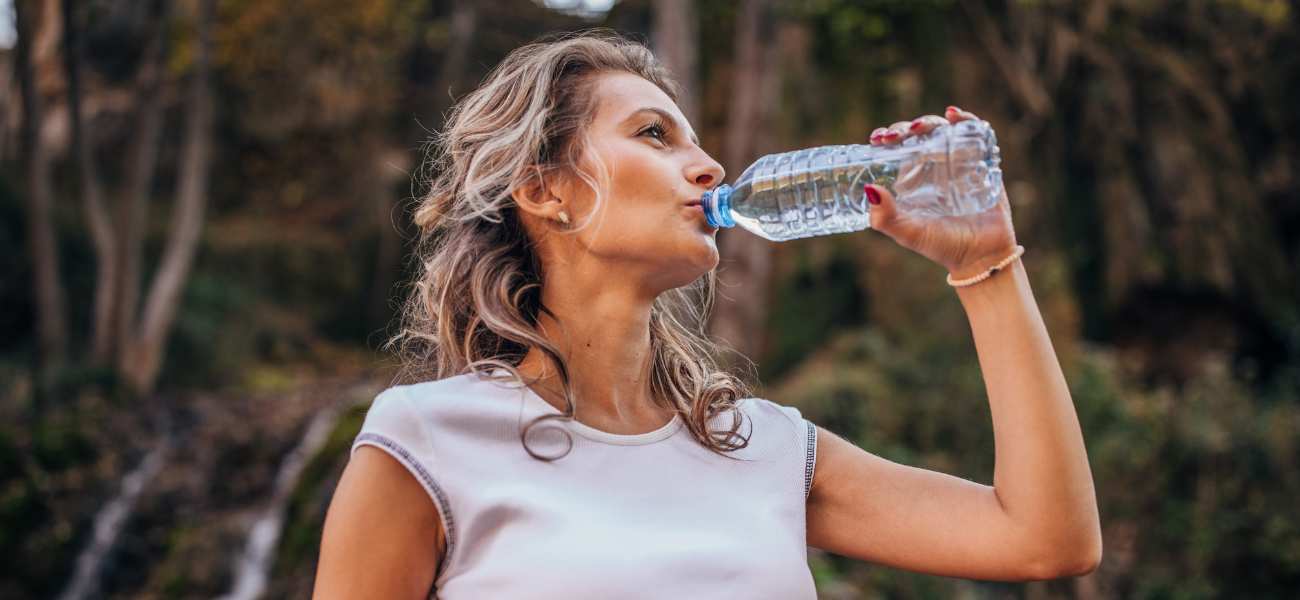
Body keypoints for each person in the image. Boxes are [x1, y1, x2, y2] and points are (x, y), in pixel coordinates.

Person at [312, 30, 1101, 599]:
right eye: (653, 135)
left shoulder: (766, 449)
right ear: (545, 189)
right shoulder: (424, 442)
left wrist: (984, 264)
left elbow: (1046, 539)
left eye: (694, 138)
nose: (712, 165)